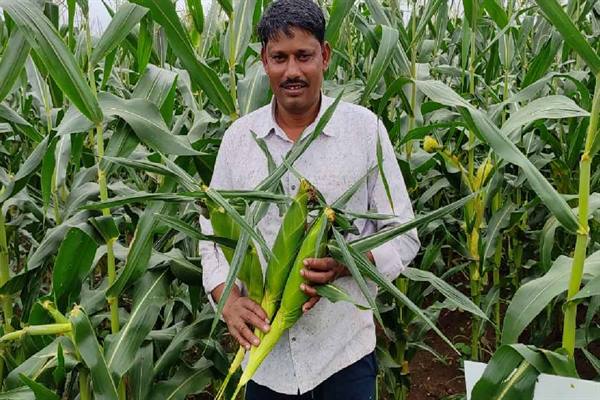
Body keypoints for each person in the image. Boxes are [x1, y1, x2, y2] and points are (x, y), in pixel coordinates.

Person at [199, 0, 420, 398]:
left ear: (325, 56)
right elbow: (211, 235)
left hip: (344, 356)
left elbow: (403, 235)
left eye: (304, 56)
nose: (292, 71)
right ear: (264, 61)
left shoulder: (364, 131)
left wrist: (347, 263)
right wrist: (226, 299)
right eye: (279, 58)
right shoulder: (238, 141)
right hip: (264, 361)